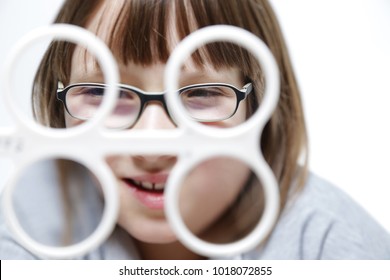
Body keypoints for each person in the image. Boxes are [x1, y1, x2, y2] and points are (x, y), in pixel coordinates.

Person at [1, 0, 390, 260]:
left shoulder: (331, 246)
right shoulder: (25, 220)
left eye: (200, 93)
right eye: (102, 92)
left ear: (261, 107)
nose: (152, 145)